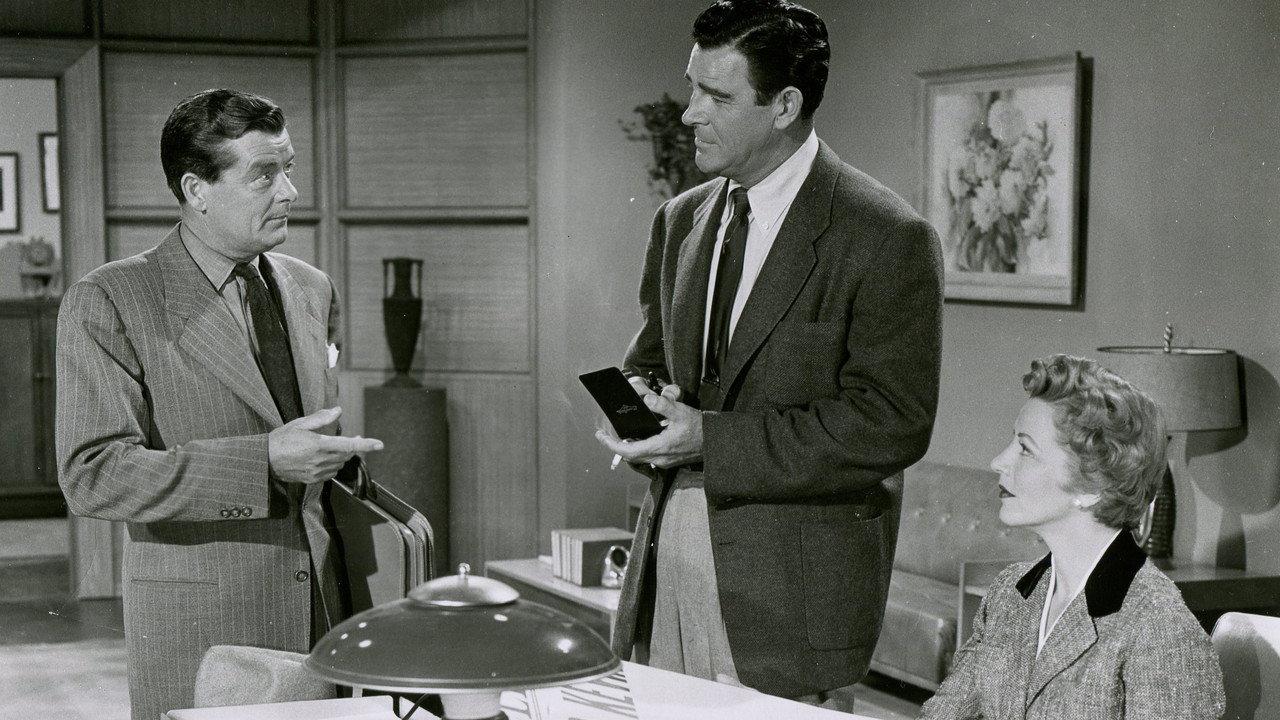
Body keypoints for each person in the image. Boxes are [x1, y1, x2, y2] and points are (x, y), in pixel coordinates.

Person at [595, 0, 944, 704]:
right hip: (671, 564)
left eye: (717, 96)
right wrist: (641, 403)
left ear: (785, 106)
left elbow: (891, 423)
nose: (690, 113)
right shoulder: (682, 220)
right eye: (693, 87)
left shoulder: (884, 236)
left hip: (789, 601)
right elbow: (651, 360)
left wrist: (709, 438)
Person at [55, 88, 383, 720]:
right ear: (196, 189)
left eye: (289, 168)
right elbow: (92, 476)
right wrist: (264, 462)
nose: (289, 191)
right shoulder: (111, 300)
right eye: (264, 174)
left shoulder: (313, 289)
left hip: (325, 614)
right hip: (207, 626)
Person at [920, 354, 1226, 719]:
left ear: (1091, 486)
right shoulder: (1008, 594)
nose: (998, 461)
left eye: (1025, 448)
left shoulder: (1159, 630)